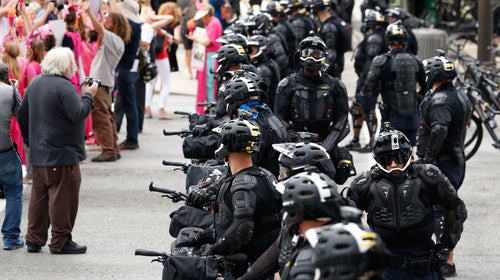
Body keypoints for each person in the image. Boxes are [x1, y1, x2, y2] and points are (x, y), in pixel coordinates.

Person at [347, 122, 467, 279]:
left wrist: (445, 246)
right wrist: (362, 248)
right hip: (384, 267)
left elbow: (456, 208)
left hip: (424, 265)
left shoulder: (428, 176)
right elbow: (345, 217)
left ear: (408, 155)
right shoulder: (364, 184)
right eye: (387, 159)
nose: (393, 164)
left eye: (398, 157)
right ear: (378, 159)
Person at [18, 47, 98, 254]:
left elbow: (23, 115)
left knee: (40, 196)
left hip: (39, 153)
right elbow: (78, 113)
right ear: (64, 66)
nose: (73, 67)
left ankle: (34, 239)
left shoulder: (35, 84)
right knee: (63, 198)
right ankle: (60, 241)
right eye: (71, 64)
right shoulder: (65, 87)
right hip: (62, 155)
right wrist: (89, 95)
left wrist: (30, 141)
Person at [178, 119, 283, 278]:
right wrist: (198, 238)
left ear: (229, 145)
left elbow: (242, 230)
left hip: (245, 267)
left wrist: (211, 251)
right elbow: (226, 223)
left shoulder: (243, 185)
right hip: (259, 263)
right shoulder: (264, 175)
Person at [417, 53, 472, 278]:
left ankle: (445, 261)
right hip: (455, 159)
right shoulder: (460, 96)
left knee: (440, 211)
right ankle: (443, 258)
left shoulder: (440, 100)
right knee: (446, 207)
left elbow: (440, 129)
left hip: (443, 162)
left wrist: (428, 158)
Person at [274, 35, 352, 185]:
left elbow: (342, 118)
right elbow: (278, 117)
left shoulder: (336, 85)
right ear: (300, 56)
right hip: (294, 146)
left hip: (325, 144)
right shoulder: (286, 84)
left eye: (316, 54)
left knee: (334, 184)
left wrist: (326, 146)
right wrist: (295, 141)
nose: (310, 57)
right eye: (306, 53)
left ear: (323, 57)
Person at [362, 22, 426, 146]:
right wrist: (417, 99)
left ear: (388, 41)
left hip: (391, 118)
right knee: (409, 153)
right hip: (413, 117)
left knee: (387, 154)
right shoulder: (416, 60)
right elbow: (425, 87)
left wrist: (368, 109)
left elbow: (368, 88)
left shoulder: (381, 61)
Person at [82, 1, 129, 162]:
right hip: (105, 81)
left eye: (109, 21)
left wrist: (89, 12)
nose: (105, 23)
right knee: (108, 115)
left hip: (100, 83)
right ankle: (113, 148)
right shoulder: (117, 40)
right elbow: (102, 25)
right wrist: (101, 12)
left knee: (101, 116)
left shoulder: (114, 38)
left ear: (115, 25)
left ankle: (109, 149)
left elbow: (99, 28)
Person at [345, 9, 387, 153]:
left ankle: (372, 142)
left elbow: (371, 62)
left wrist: (366, 82)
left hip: (368, 81)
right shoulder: (371, 37)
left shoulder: (374, 39)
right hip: (364, 79)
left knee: (368, 110)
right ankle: (356, 140)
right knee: (357, 109)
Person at [113, 0, 143, 151]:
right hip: (129, 67)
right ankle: (132, 138)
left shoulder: (130, 25)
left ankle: (132, 139)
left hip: (125, 68)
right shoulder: (137, 25)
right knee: (129, 104)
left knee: (128, 105)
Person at [0, 63, 23, 250]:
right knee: (14, 192)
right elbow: (22, 117)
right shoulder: (10, 91)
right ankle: (10, 238)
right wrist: (14, 89)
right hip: (4, 151)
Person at [186, 3, 222, 114]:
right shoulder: (214, 22)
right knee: (209, 82)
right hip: (210, 55)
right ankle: (209, 105)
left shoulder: (213, 23)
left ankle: (211, 106)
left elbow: (207, 42)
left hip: (211, 55)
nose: (202, 19)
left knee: (209, 82)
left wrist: (194, 37)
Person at [308, 0, 350, 78]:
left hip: (332, 69)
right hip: (335, 66)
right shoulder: (333, 22)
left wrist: (321, 71)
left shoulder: (329, 28)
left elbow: (331, 53)